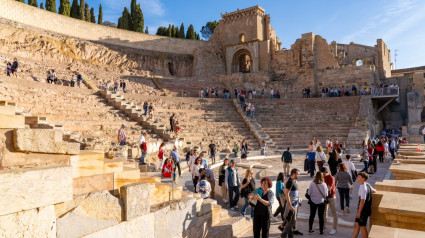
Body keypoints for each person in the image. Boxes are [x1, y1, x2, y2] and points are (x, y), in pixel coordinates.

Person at [352, 172, 376, 238]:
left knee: (362, 227)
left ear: (363, 179)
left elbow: (362, 201)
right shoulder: (367, 185)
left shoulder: (363, 188)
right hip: (364, 210)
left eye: (358, 176)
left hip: (362, 211)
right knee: (357, 225)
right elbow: (374, 191)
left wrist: (359, 213)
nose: (357, 177)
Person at [281, 169, 300, 238]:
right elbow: (286, 193)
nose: (298, 175)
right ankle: (283, 234)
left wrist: (298, 200)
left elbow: (296, 193)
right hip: (292, 204)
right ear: (293, 174)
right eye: (297, 174)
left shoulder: (294, 181)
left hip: (295, 203)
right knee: (292, 221)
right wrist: (290, 205)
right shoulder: (290, 182)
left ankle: (290, 235)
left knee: (291, 220)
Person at [321, 167, 338, 235]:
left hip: (331, 197)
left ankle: (334, 228)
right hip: (325, 197)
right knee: (324, 211)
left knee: (334, 213)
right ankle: (324, 225)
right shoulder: (323, 177)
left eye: (323, 173)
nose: (322, 175)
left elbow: (329, 188)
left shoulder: (331, 178)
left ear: (326, 172)